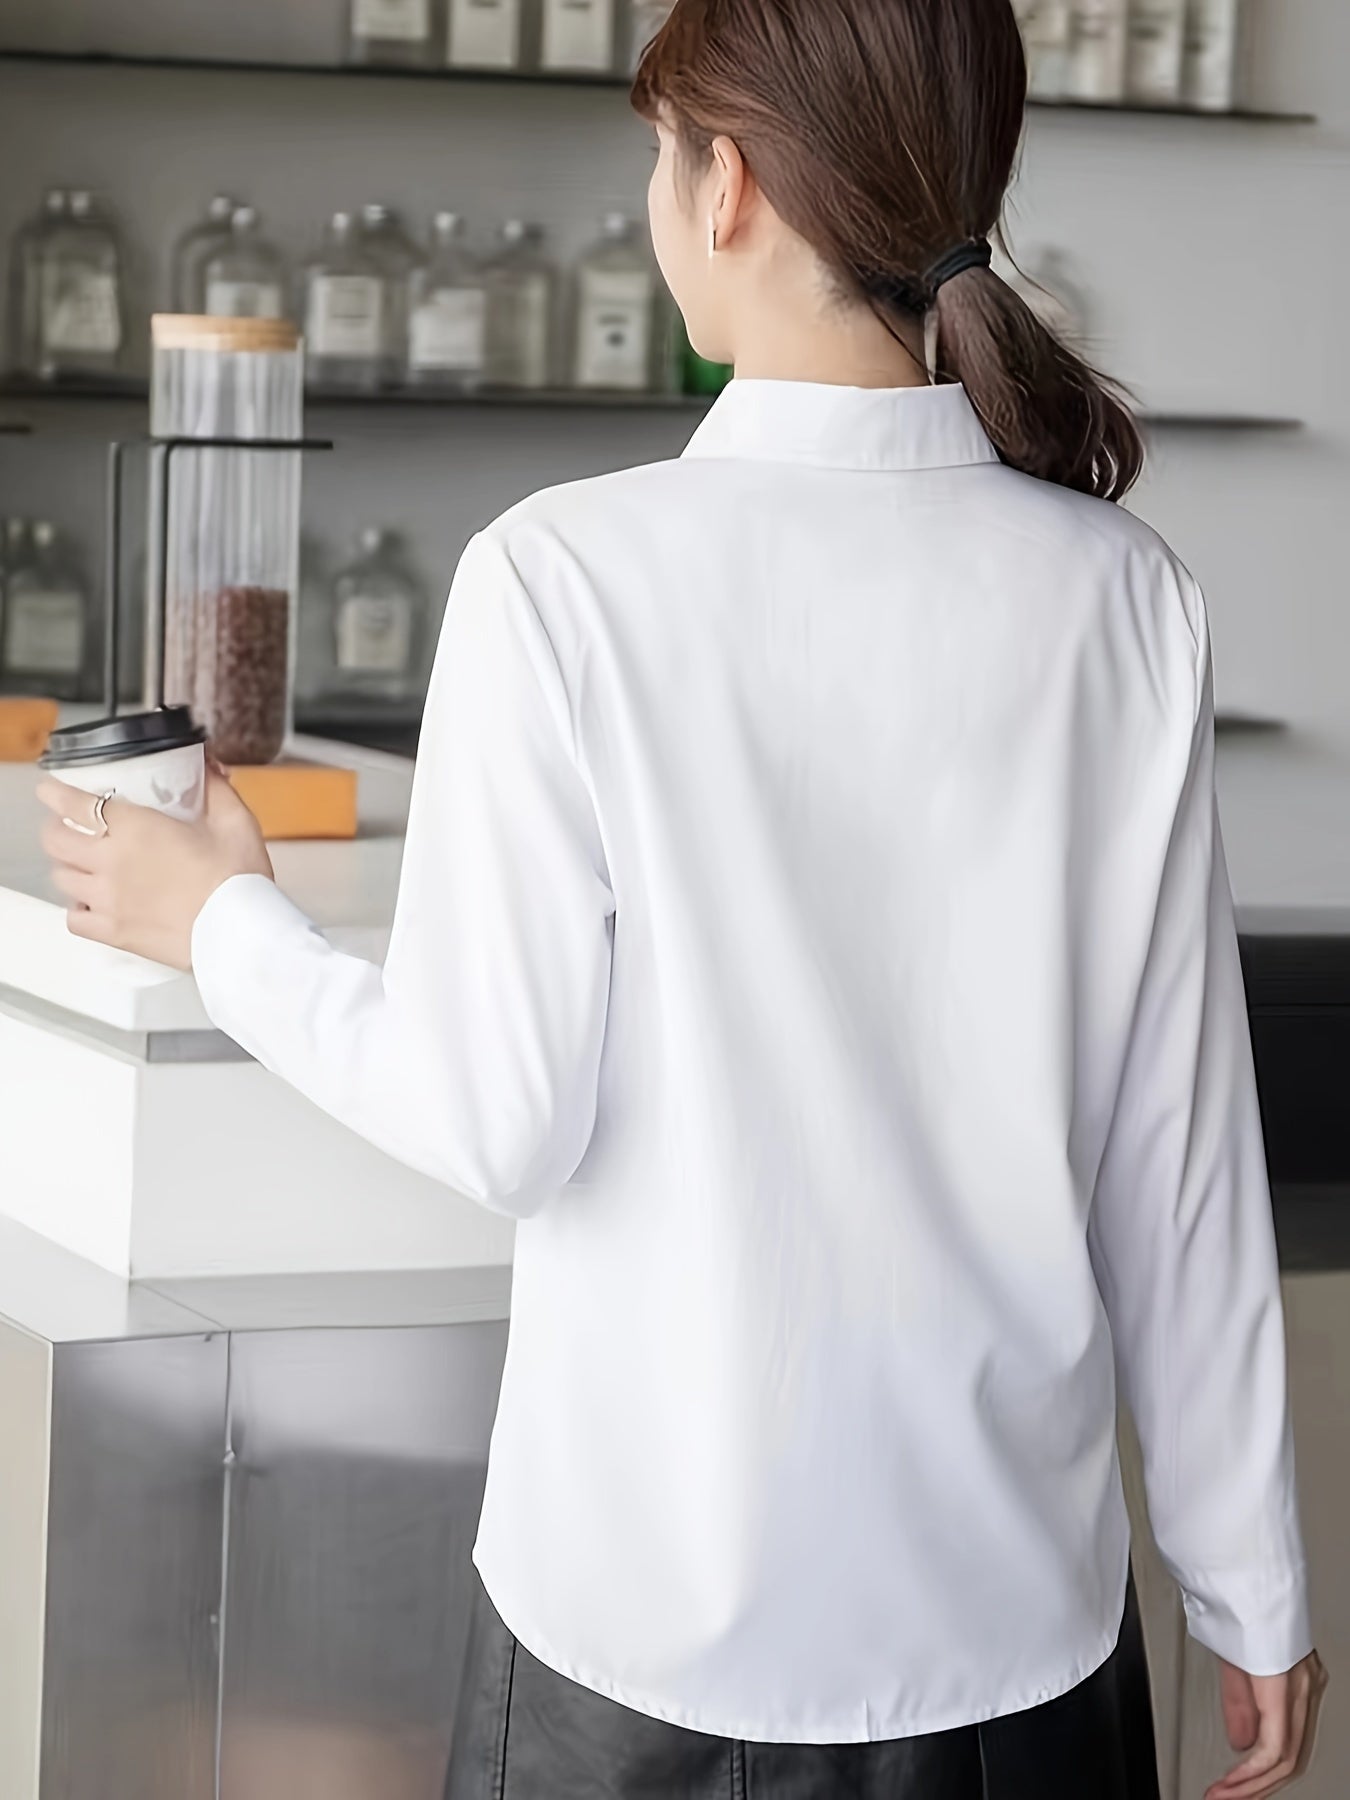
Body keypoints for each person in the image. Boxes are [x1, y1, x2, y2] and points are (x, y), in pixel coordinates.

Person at [40, 1, 1325, 1795]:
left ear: (725, 186)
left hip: (644, 1652)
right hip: (1019, 1644)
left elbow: (500, 1120)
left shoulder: (565, 582)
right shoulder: (1125, 597)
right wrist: (1247, 1584)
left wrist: (223, 925)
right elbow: (1174, 1155)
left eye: (662, 151)